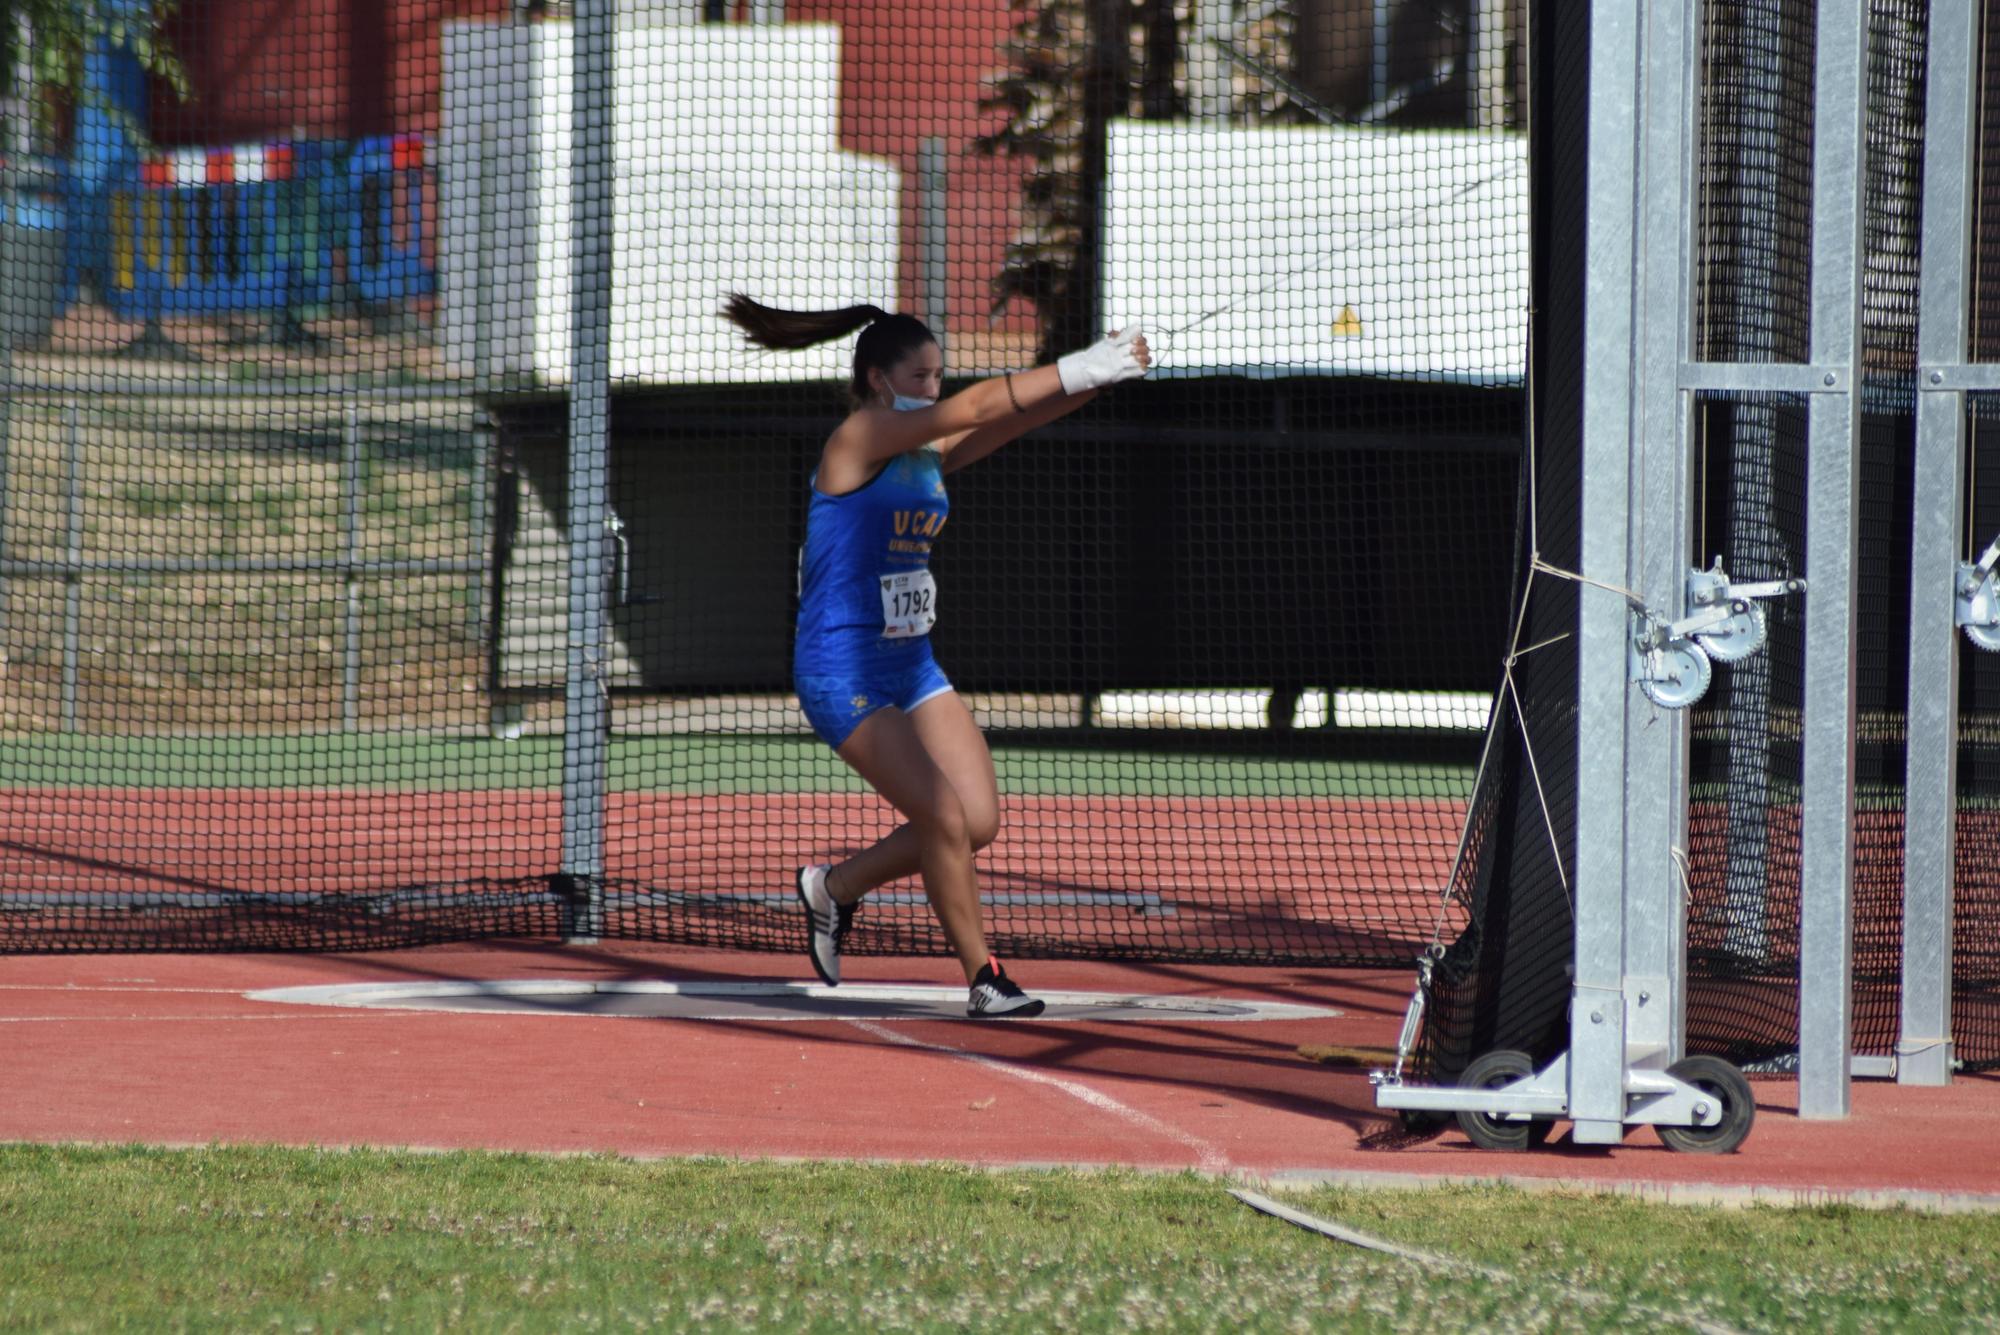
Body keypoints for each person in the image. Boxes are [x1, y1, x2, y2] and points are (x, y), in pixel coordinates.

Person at [722, 294, 1151, 1018]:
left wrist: (1094, 382)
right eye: (921, 378)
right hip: (842, 671)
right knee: (944, 816)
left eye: (939, 376)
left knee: (975, 820)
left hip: (912, 665)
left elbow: (1007, 417)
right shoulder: (856, 437)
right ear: (877, 380)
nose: (934, 389)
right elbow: (980, 403)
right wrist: (1076, 362)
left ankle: (834, 887)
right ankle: (984, 977)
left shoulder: (927, 451)